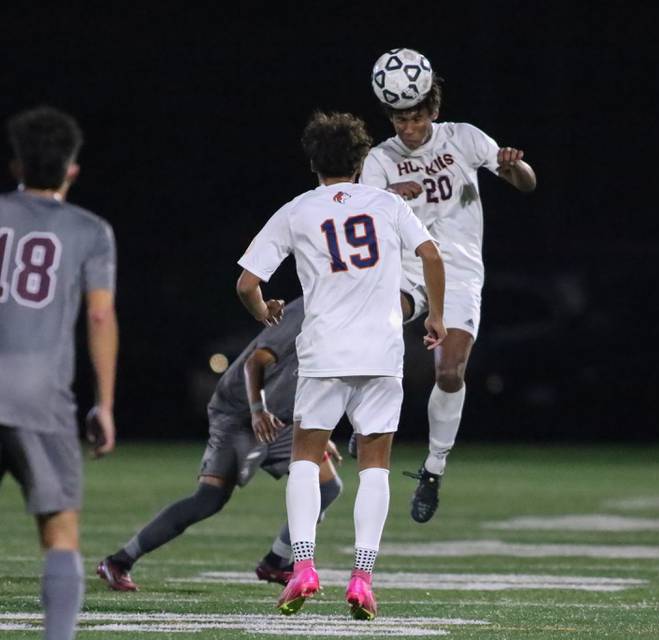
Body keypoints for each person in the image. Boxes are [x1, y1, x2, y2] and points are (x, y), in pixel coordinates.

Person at [237, 111, 445, 620]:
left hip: (325, 351)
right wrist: (435, 318)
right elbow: (432, 256)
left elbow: (246, 282)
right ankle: (363, 577)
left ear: (313, 161)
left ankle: (304, 567)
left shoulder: (298, 210)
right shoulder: (388, 204)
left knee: (306, 460)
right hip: (380, 352)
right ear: (361, 160)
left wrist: (265, 314)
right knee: (376, 465)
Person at [360, 51, 537, 523]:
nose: (408, 128)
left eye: (416, 117)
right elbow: (365, 215)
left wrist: (513, 165)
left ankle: (433, 469)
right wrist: (390, 197)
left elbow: (526, 183)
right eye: (400, 119)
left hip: (457, 272)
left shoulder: (464, 139)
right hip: (406, 267)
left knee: (450, 374)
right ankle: (350, 426)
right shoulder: (380, 159)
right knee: (371, 327)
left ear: (431, 111)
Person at [96, 297, 344, 591]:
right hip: (242, 409)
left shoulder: (349, 314)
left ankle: (276, 561)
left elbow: (312, 379)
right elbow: (256, 361)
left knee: (327, 486)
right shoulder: (314, 306)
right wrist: (256, 411)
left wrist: (318, 433)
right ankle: (119, 561)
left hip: (280, 418)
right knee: (209, 498)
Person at [0, 106, 118, 640]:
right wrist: (105, 403)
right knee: (60, 530)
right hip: (39, 396)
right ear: (71, 168)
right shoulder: (90, 230)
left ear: (15, 164)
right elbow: (99, 314)